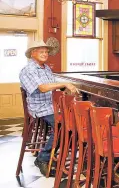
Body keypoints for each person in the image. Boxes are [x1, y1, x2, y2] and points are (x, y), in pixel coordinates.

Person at [19, 40, 79, 176]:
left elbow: (52, 85)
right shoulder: (29, 70)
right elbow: (42, 87)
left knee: (72, 123)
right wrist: (64, 84)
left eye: (46, 51)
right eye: (41, 51)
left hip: (51, 106)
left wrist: (66, 88)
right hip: (40, 108)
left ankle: (55, 156)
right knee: (64, 125)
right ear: (32, 53)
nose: (45, 54)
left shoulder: (46, 68)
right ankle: (43, 158)